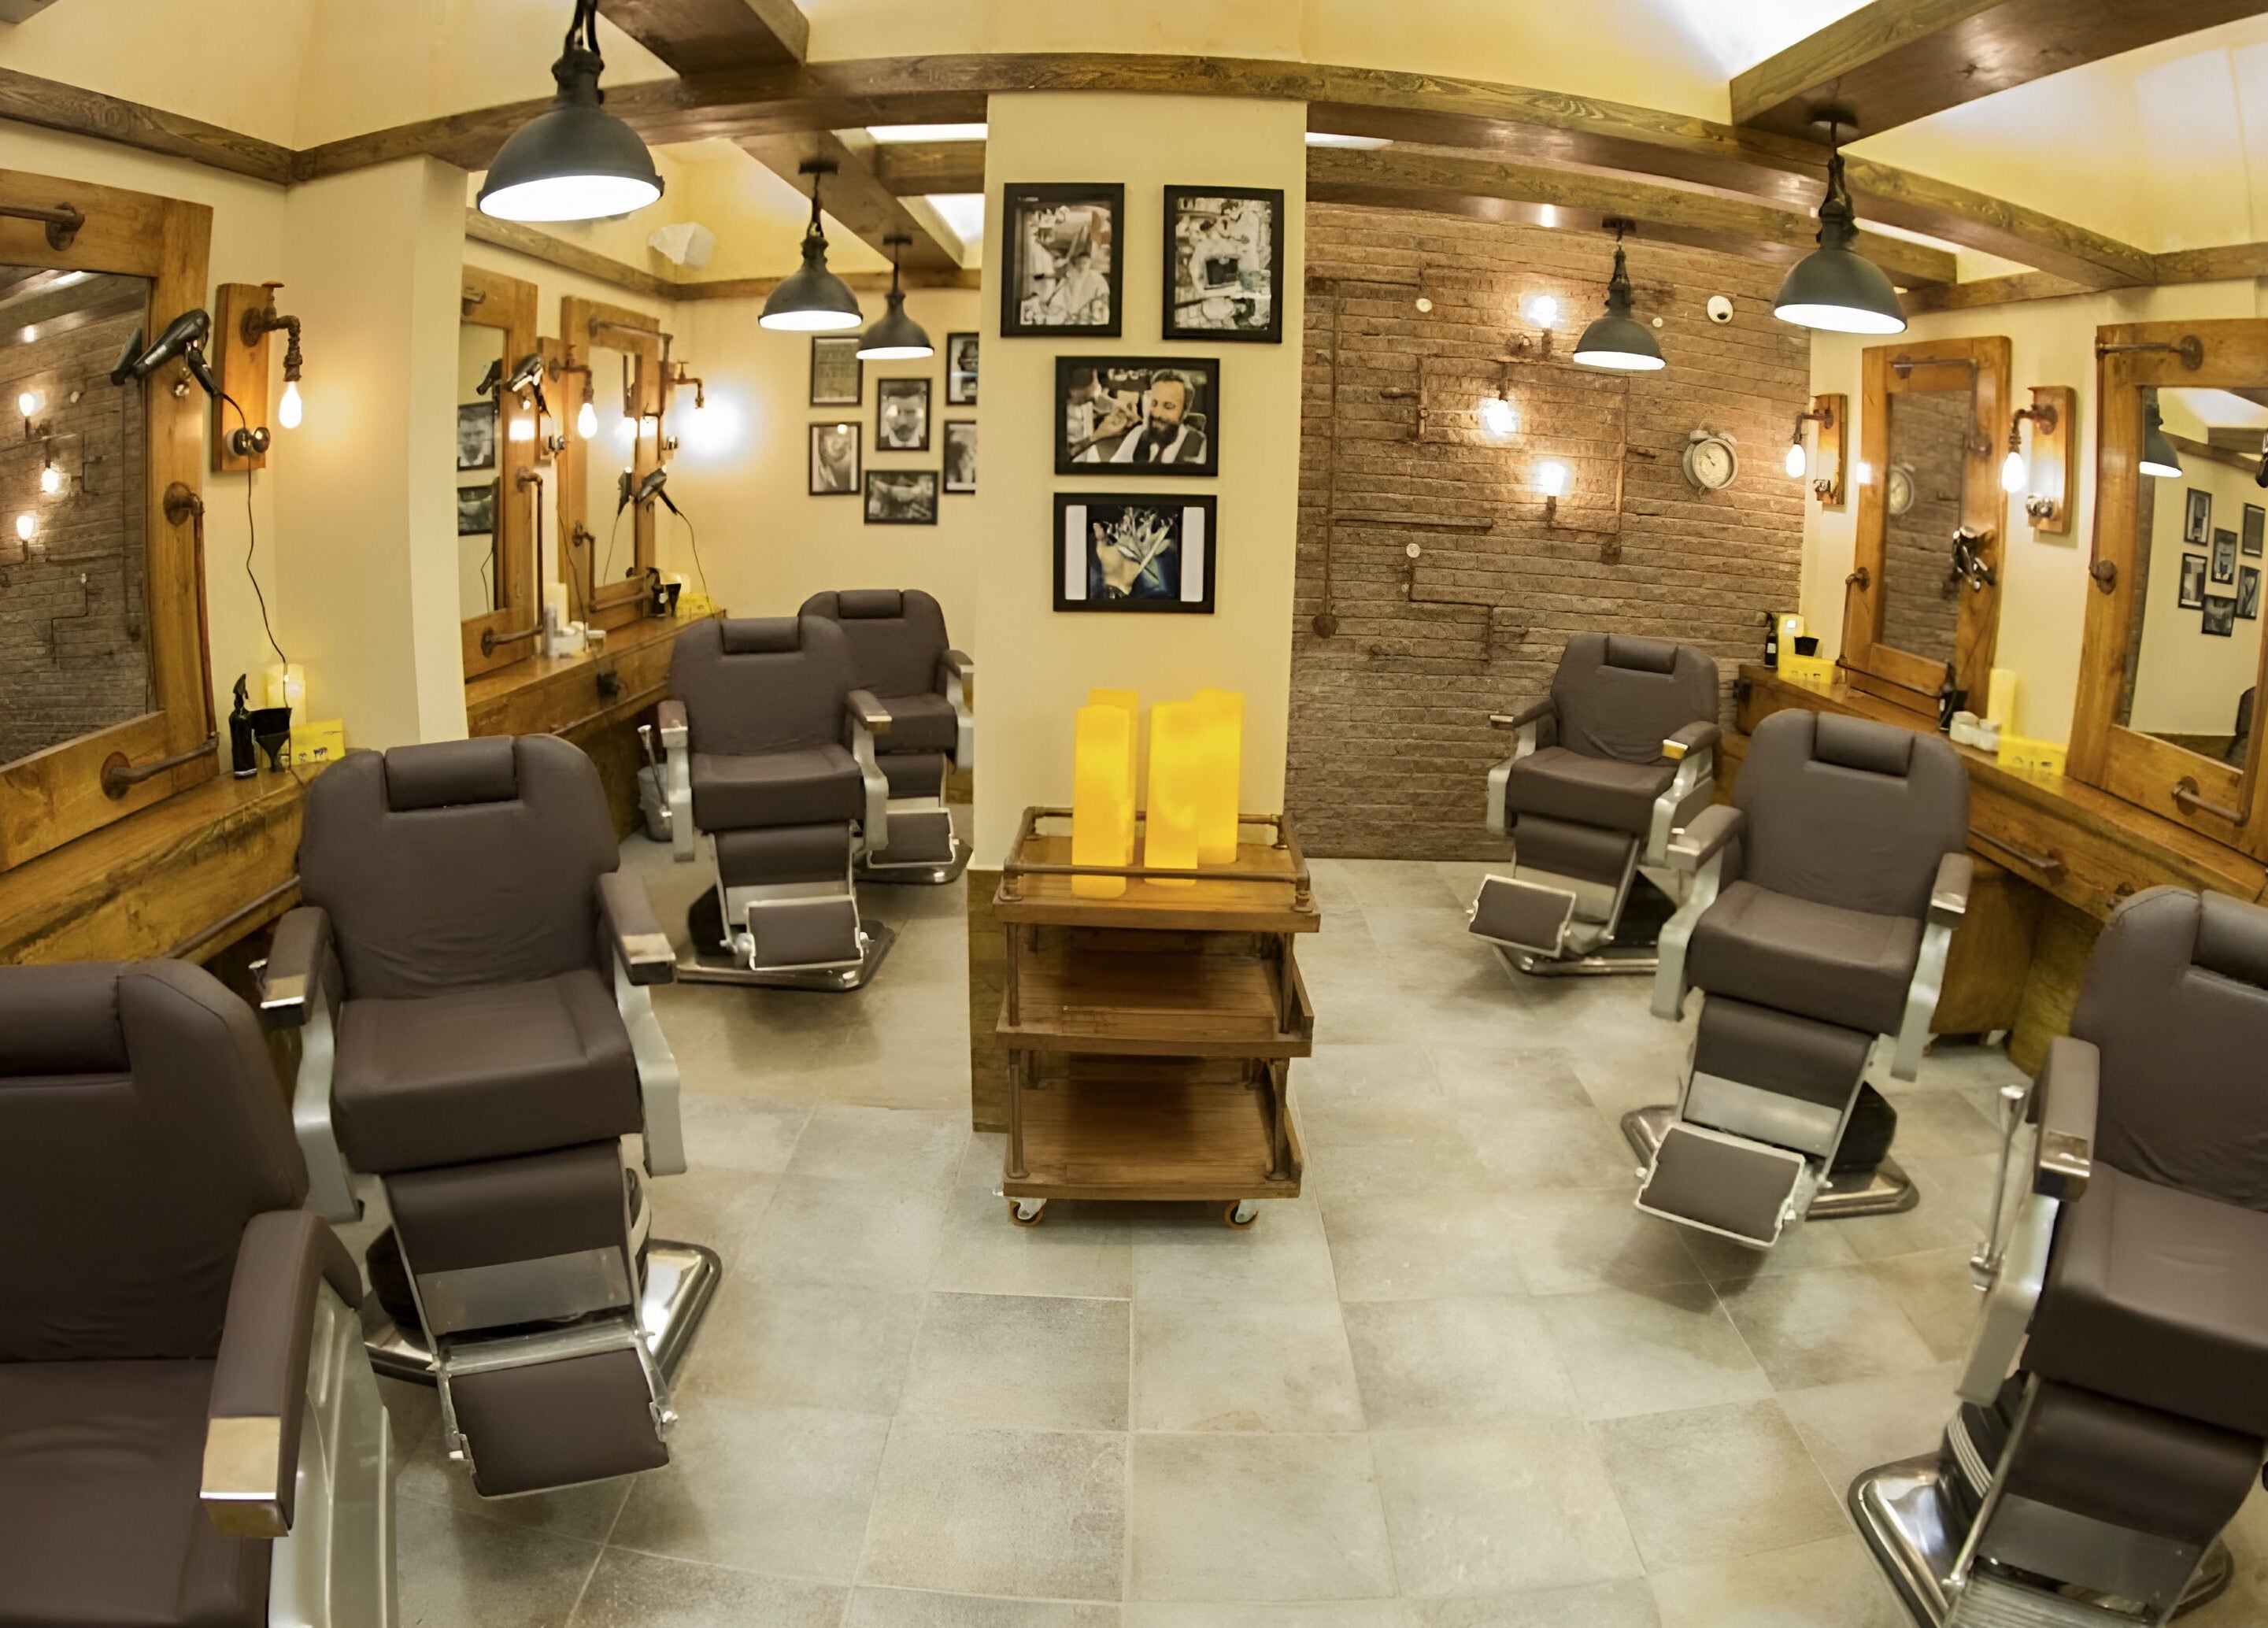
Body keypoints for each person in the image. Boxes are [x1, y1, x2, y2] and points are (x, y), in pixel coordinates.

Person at [1093, 372, 1207, 466]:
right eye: (1154, 403)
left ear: (1185, 411)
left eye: (1168, 406)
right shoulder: (1138, 434)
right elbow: (1115, 476)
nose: (1157, 414)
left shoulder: (1199, 444)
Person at [812, 424, 857, 492]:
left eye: (845, 437)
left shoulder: (851, 463)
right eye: (832, 435)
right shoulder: (816, 467)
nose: (840, 443)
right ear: (821, 443)